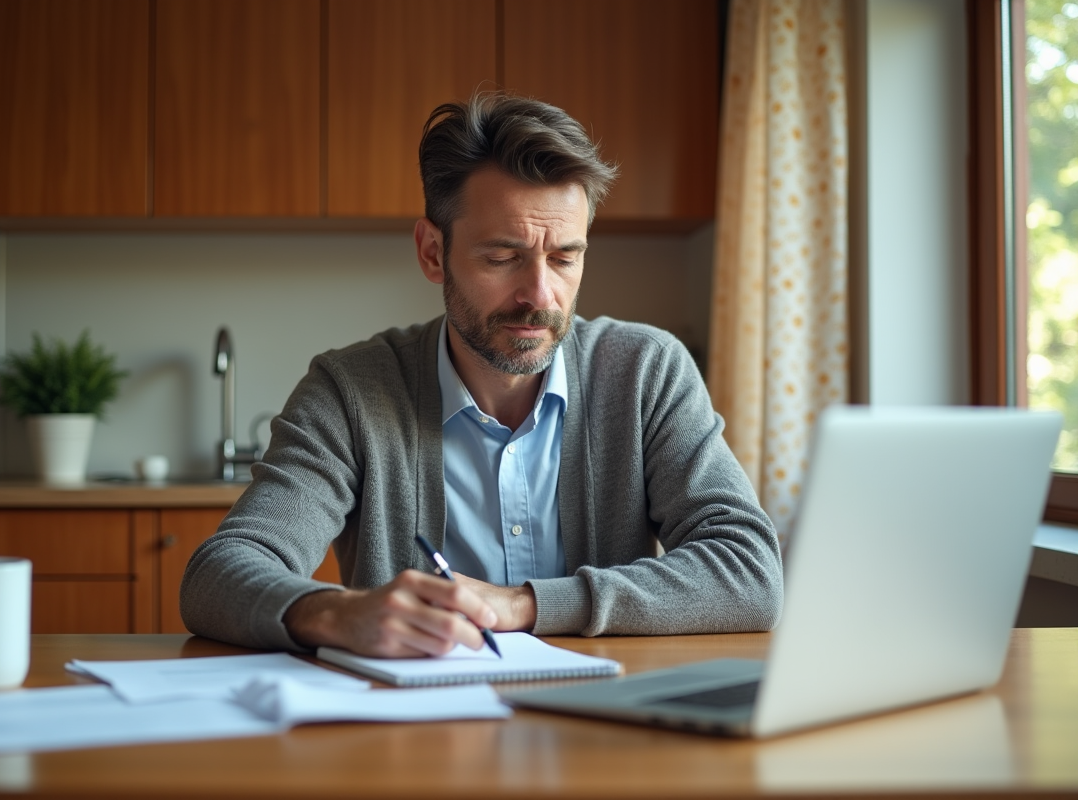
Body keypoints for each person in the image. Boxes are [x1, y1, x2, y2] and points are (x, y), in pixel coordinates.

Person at [180, 94, 782, 656]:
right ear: (432, 252)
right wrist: (334, 613)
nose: (539, 294)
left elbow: (749, 569)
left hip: (599, 732)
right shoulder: (351, 392)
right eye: (503, 257)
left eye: (565, 257)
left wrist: (522, 605)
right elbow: (220, 573)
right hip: (412, 740)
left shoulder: (646, 372)